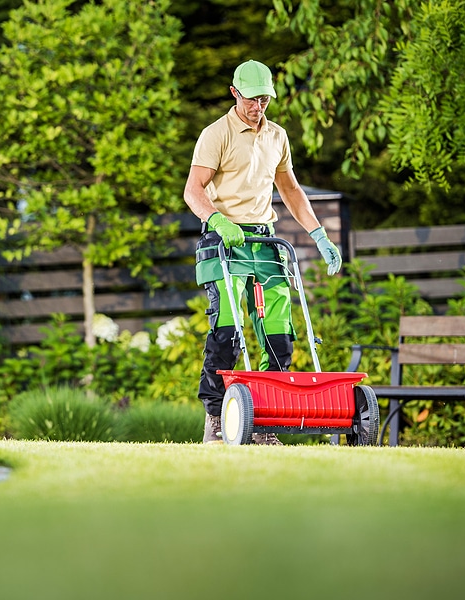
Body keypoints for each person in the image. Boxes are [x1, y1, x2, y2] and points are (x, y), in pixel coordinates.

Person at [183, 59, 341, 445]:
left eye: (265, 100)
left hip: (265, 241)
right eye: (252, 99)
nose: (258, 107)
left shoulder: (277, 136)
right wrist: (217, 221)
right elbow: (193, 190)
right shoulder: (215, 134)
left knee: (279, 333)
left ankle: (264, 422)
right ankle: (217, 418)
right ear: (234, 93)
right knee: (227, 327)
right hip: (224, 241)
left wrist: (319, 234)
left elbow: (290, 191)